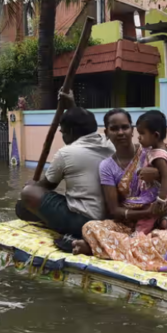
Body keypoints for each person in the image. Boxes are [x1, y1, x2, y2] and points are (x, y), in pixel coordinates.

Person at [71, 110, 167, 272]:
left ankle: (98, 248)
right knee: (91, 227)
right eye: (114, 128)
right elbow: (114, 210)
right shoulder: (107, 167)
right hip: (127, 226)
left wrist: (157, 174)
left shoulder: (152, 151)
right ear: (106, 132)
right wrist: (146, 212)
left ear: (132, 130)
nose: (120, 133)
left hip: (155, 226)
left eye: (125, 127)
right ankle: (139, 251)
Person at [15, 91, 114, 246]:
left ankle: (70, 232)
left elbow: (46, 186)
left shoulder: (66, 153)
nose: (62, 136)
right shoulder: (109, 144)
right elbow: (82, 123)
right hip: (108, 220)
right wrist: (72, 105)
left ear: (71, 132)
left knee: (28, 193)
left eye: (63, 132)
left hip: (84, 222)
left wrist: (31, 185)